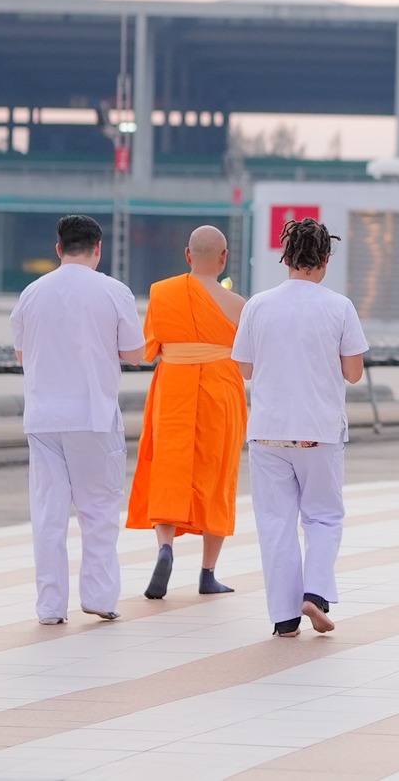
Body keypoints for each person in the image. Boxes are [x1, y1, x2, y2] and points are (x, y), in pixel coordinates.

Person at [232, 216, 368, 638]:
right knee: (324, 517)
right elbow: (353, 373)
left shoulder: (258, 304)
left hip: (268, 431)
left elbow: (245, 368)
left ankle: (284, 618)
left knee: (275, 524)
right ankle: (316, 594)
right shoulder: (339, 306)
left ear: (285, 258)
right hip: (319, 431)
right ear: (325, 259)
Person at [10, 214, 144, 626]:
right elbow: (135, 354)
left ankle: (50, 607)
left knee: (48, 514)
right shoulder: (113, 291)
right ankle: (99, 597)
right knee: (99, 509)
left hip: (44, 417)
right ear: (98, 249)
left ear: (58, 249)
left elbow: (20, 353)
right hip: (94, 416)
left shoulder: (32, 293)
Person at [126, 224, 247, 599]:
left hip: (174, 386)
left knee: (167, 465)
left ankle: (165, 547)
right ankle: (208, 573)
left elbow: (151, 349)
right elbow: (248, 362)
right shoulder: (240, 305)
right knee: (217, 472)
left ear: (187, 255)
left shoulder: (163, 293)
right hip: (221, 389)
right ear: (224, 259)